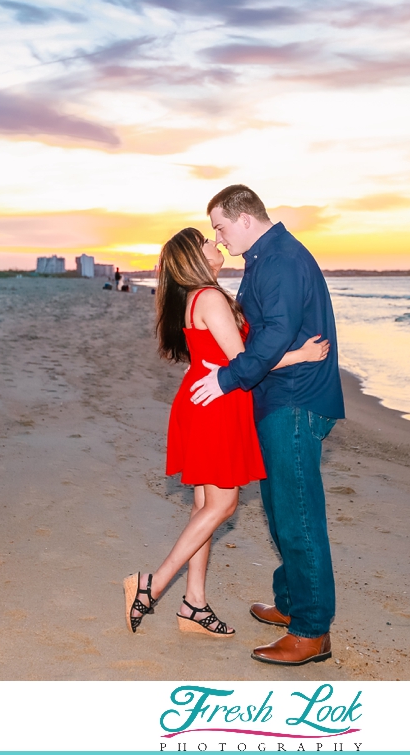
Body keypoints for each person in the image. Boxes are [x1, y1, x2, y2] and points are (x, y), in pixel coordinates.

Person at [124, 228, 329, 637]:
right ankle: (152, 585)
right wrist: (302, 356)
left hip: (205, 402)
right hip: (215, 408)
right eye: (205, 241)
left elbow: (218, 355)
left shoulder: (199, 297)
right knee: (222, 507)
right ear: (193, 258)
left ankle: (194, 604)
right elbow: (247, 361)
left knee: (205, 508)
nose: (214, 243)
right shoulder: (211, 298)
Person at [190, 185, 345, 666]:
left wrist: (227, 379)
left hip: (296, 401)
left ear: (243, 218)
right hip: (283, 397)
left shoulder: (278, 259)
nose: (217, 236)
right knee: (280, 510)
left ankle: (311, 630)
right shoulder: (265, 258)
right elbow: (261, 331)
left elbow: (275, 332)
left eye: (219, 226)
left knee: (297, 514)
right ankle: (292, 603)